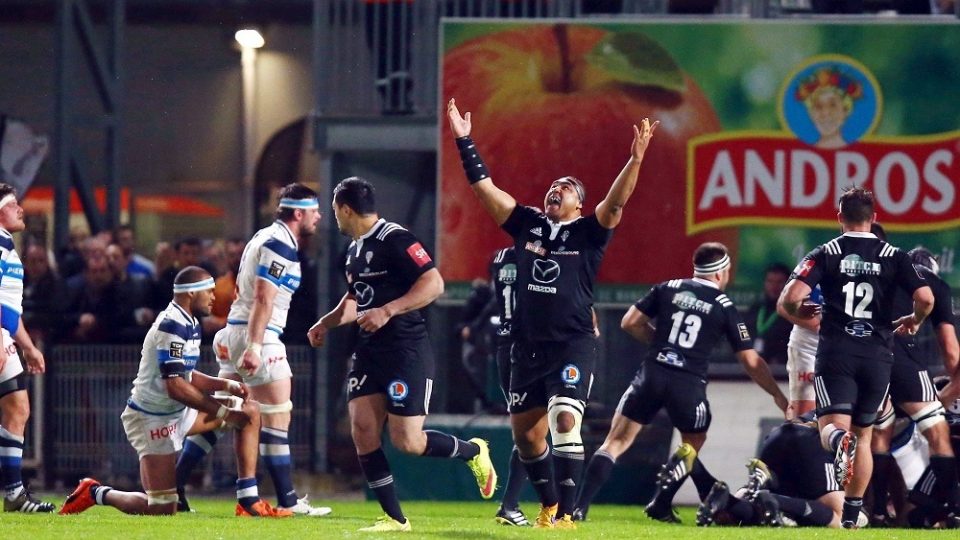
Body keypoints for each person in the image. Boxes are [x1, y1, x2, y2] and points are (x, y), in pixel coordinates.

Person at [446, 97, 657, 529]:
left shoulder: (588, 232)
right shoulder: (526, 224)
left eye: (566, 187)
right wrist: (465, 142)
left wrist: (634, 161)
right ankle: (548, 506)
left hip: (572, 343)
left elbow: (615, 204)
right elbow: (485, 190)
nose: (555, 189)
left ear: (580, 204)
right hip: (525, 348)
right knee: (526, 436)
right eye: (553, 185)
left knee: (564, 418)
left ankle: (568, 514)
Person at [308, 176, 496, 533]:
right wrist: (326, 323)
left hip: (406, 350)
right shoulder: (351, 251)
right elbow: (355, 300)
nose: (334, 218)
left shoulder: (396, 238)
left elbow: (434, 283)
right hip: (369, 351)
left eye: (334, 211)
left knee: (408, 441)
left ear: (345, 209)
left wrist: (388, 310)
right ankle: (396, 520)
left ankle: (473, 451)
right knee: (363, 429)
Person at [573, 242, 788, 524]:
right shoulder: (723, 305)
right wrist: (776, 394)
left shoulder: (668, 287)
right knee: (692, 443)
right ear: (721, 272)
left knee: (615, 442)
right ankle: (661, 502)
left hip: (652, 372)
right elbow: (750, 361)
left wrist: (661, 344)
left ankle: (577, 508)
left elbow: (629, 322)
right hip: (687, 382)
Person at [59, 267, 282, 517]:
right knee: (162, 508)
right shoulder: (171, 326)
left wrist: (225, 385)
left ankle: (248, 500)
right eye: (208, 292)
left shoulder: (190, 322)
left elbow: (185, 374)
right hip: (152, 418)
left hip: (176, 413)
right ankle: (95, 492)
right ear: (190, 294)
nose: (213, 297)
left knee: (249, 411)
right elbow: (175, 386)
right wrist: (223, 412)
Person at [778, 187, 934, 528]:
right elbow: (925, 298)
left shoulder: (827, 251)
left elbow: (790, 297)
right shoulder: (895, 254)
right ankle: (852, 514)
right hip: (878, 357)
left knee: (828, 431)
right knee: (865, 436)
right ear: (874, 218)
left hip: (837, 354)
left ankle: (838, 440)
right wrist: (915, 321)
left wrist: (799, 309)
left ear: (839, 218)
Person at [174, 183, 330, 517]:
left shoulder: (262, 236)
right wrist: (257, 346)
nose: (319, 216)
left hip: (234, 332)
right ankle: (287, 501)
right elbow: (264, 296)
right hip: (258, 336)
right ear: (298, 213)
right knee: (276, 419)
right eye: (314, 210)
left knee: (224, 415)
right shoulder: (280, 244)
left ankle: (176, 485)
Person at [870, 247, 959, 526]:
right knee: (938, 434)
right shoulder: (935, 285)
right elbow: (950, 351)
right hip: (904, 361)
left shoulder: (882, 275)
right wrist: (950, 388)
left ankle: (876, 512)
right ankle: (956, 509)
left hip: (866, 360)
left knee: (878, 438)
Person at [0, 184, 54, 512]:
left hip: (5, 335)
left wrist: (30, 348)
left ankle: (13, 494)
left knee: (18, 408)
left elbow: (9, 308)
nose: (21, 209)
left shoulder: (8, 247)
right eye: (13, 204)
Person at [696, 416, 849, 528]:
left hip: (778, 435)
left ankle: (728, 500)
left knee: (764, 512)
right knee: (842, 518)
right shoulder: (862, 402)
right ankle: (775, 499)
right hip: (812, 441)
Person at [487, 246, 530, 526]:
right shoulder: (540, 255)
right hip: (533, 347)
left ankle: (513, 503)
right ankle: (513, 503)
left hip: (504, 344)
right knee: (534, 431)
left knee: (530, 431)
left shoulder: (500, 257)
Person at [777, 283, 822, 418]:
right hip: (809, 347)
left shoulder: (878, 263)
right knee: (805, 418)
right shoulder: (814, 263)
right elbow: (782, 305)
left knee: (855, 422)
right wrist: (820, 327)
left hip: (853, 348)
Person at [745, 263, 793, 365]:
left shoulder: (793, 313)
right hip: (749, 367)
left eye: (779, 282)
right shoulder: (756, 308)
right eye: (770, 281)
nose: (774, 286)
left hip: (780, 370)